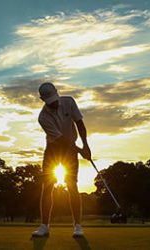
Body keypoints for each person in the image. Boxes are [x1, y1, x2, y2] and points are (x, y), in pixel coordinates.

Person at [32, 82, 91, 238]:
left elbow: (79, 123)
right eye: (50, 101)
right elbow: (61, 141)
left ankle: (78, 226)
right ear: (42, 100)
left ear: (57, 93)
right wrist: (80, 151)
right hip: (53, 149)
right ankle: (44, 226)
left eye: (55, 98)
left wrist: (86, 145)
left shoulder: (69, 102)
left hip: (70, 150)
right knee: (47, 187)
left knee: (72, 185)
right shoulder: (43, 117)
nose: (55, 103)